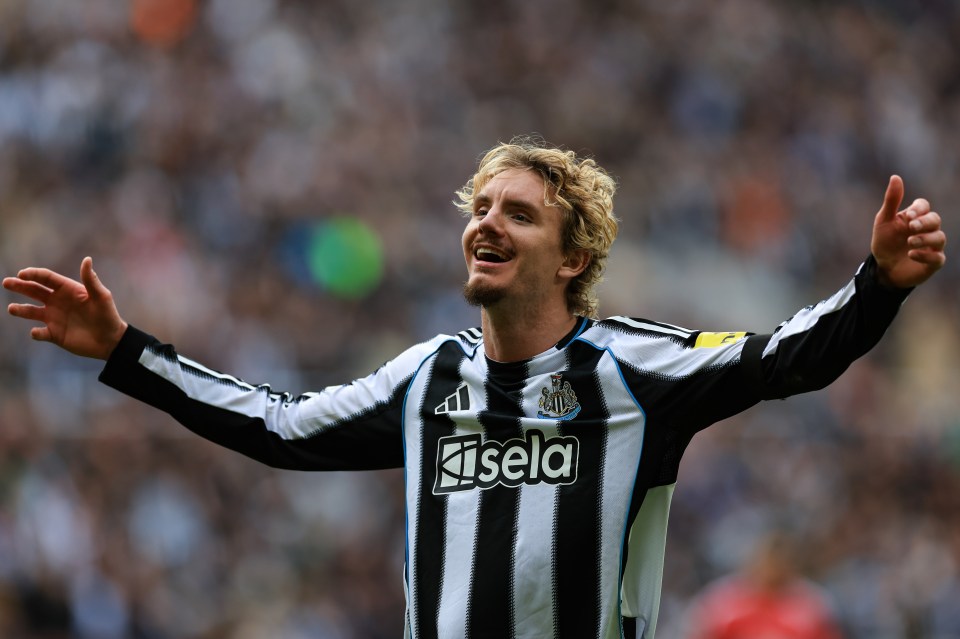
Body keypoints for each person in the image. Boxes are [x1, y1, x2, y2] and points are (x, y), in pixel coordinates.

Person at [3, 137, 947, 639]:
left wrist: (877, 285)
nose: (486, 222)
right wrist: (126, 350)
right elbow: (278, 426)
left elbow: (788, 356)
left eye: (519, 213)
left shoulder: (635, 367)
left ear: (573, 256)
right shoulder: (425, 378)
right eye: (481, 207)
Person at [683, 532, 843, 639]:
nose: (774, 568)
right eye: (770, 560)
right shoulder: (722, 600)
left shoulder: (812, 605)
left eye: (782, 561)